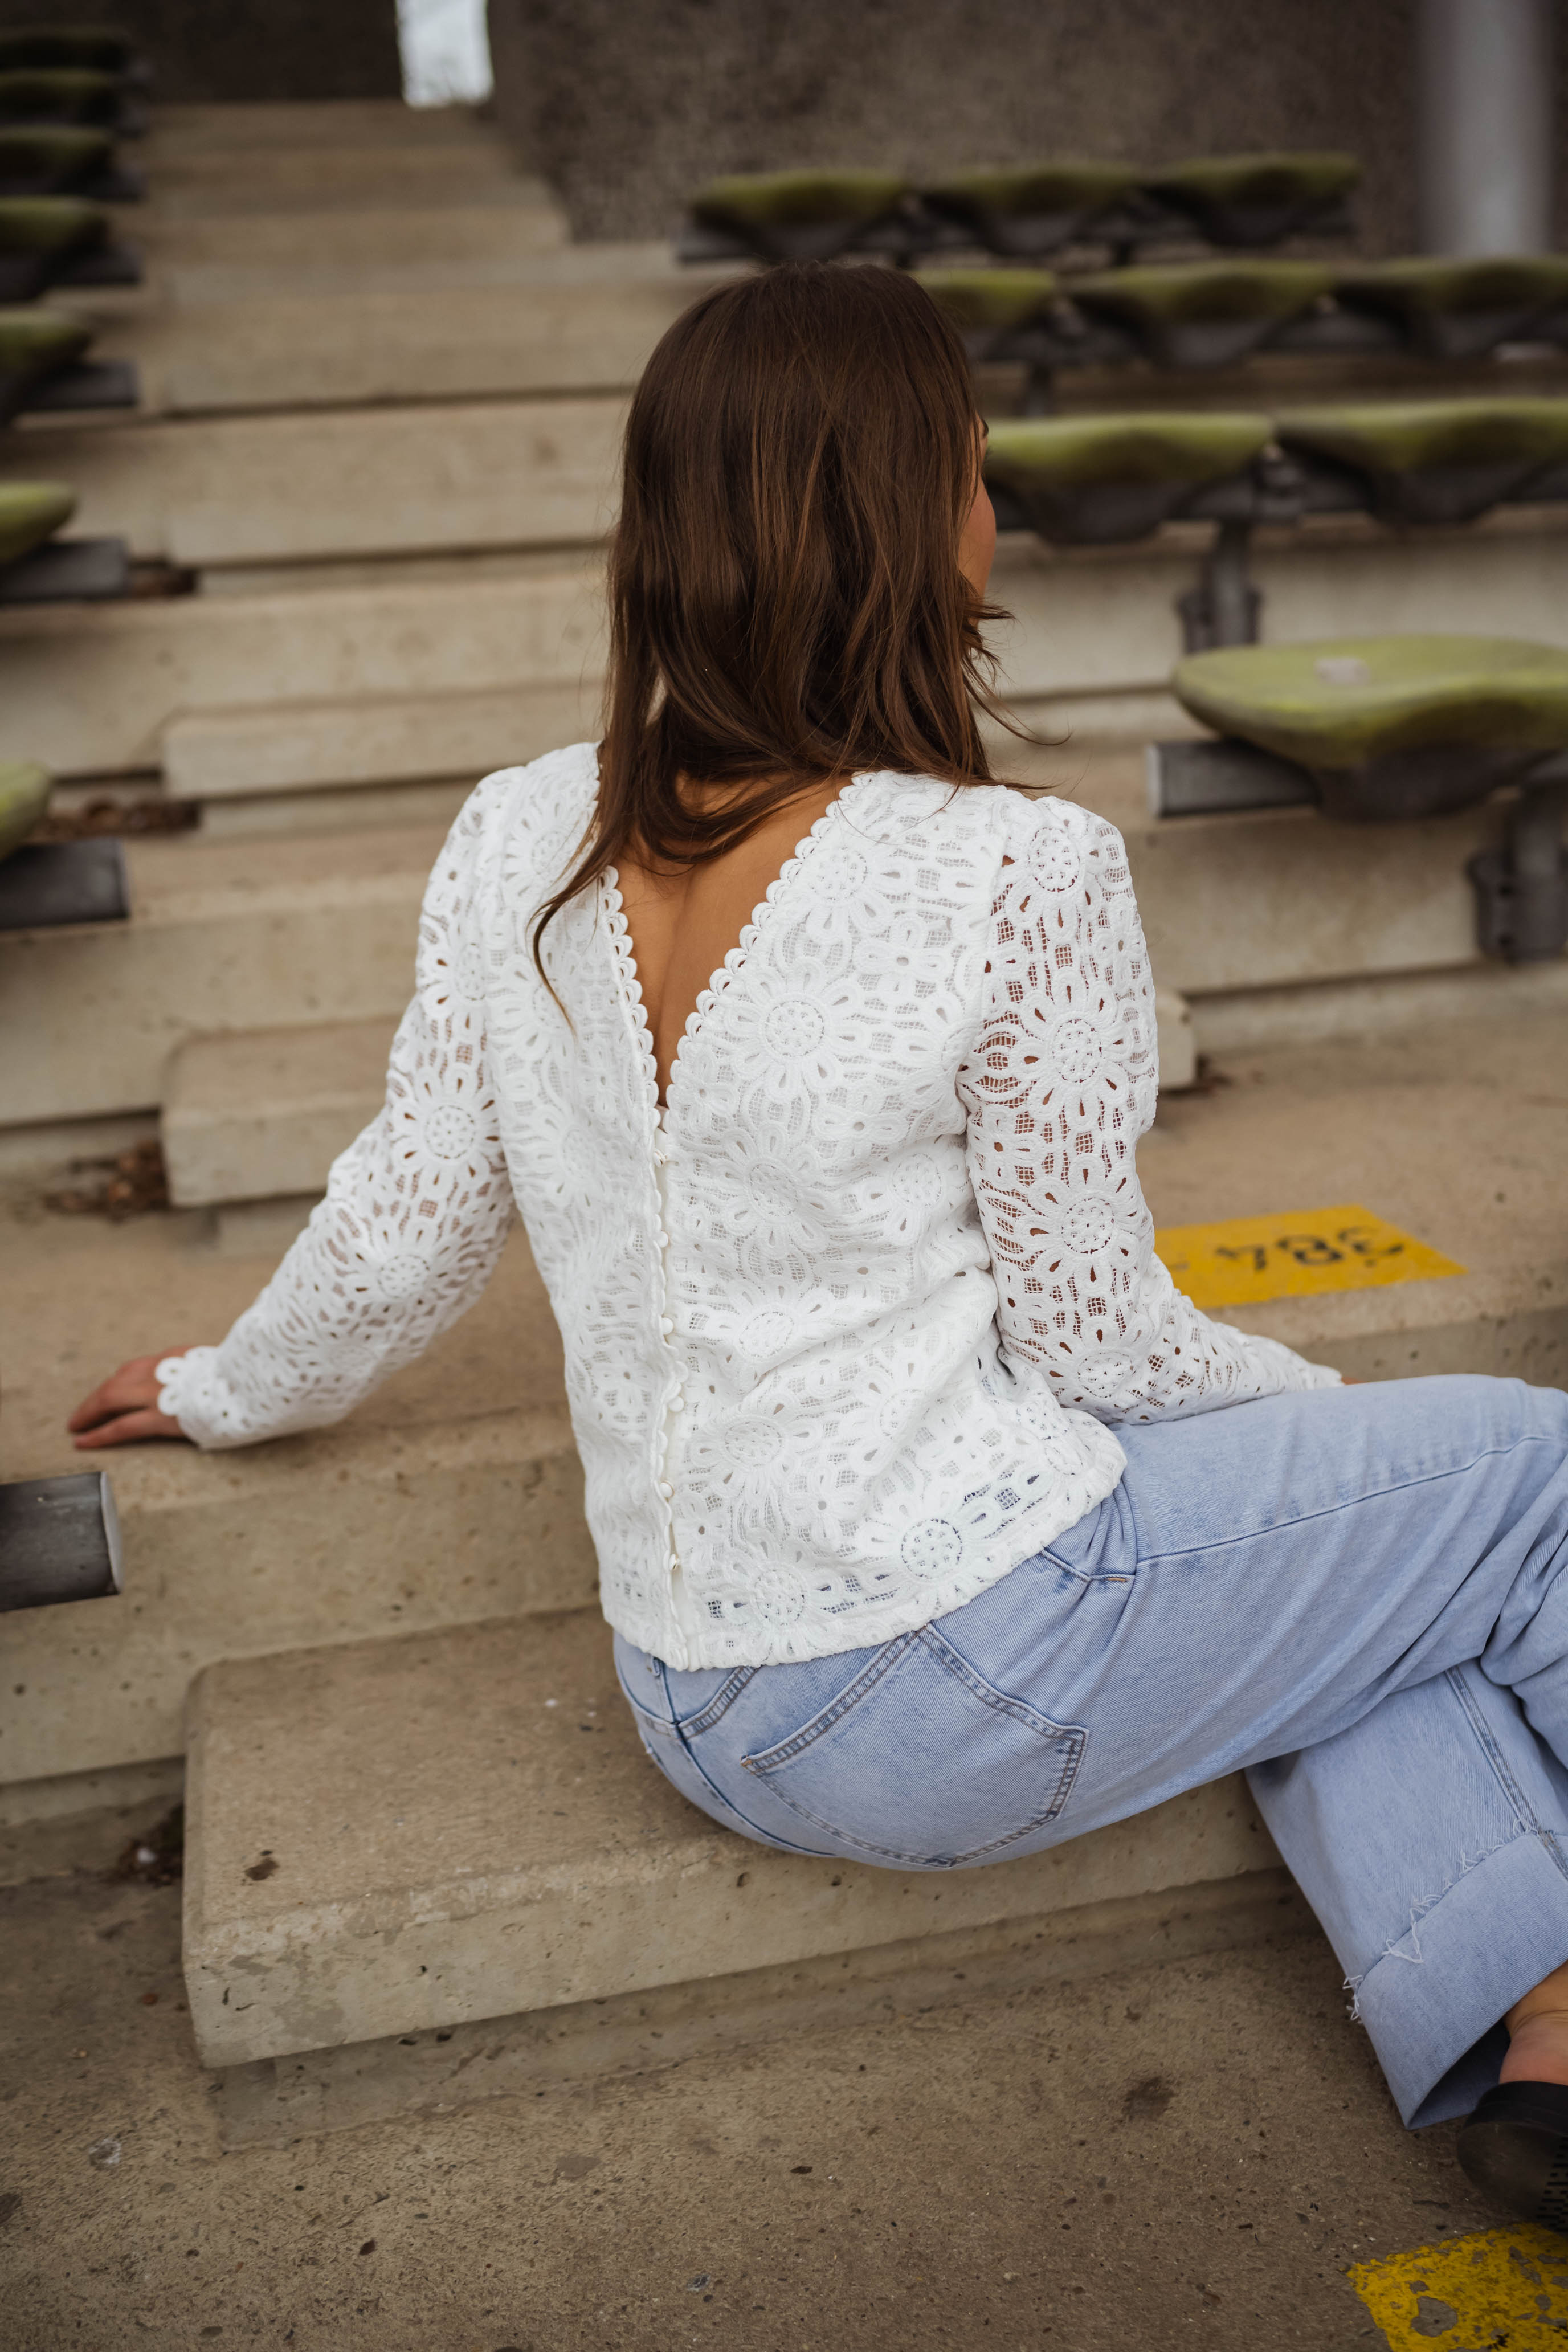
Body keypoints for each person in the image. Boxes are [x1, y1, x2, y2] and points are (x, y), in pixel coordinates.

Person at [71, 262, 1568, 2221]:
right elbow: (1102, 1336)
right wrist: (1318, 1417)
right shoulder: (1013, 866)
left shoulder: (513, 833)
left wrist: (215, 1390)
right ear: (895, 518)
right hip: (960, 1673)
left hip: (698, 1705)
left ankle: (1530, 2020)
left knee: (1356, 1589)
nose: (995, 516)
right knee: (1522, 1481)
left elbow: (403, 1225)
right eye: (968, 468)